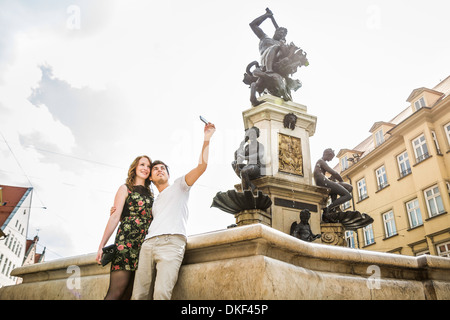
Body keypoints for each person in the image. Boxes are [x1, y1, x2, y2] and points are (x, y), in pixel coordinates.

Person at [129, 122, 216, 300]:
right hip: (147, 246)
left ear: (168, 174)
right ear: (151, 178)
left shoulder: (179, 185)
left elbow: (201, 167)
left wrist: (206, 139)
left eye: (163, 168)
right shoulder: (153, 201)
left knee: (161, 294)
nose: (160, 170)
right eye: (155, 169)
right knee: (138, 295)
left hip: (171, 243)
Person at [96, 155, 154, 300]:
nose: (145, 169)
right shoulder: (124, 188)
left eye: (148, 166)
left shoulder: (151, 194)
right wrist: (101, 245)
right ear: (135, 167)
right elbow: (115, 217)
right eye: (142, 165)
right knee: (116, 292)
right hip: (126, 243)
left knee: (129, 294)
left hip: (144, 246)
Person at [313, 148, 353, 213]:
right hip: (324, 183)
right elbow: (334, 173)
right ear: (328, 154)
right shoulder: (321, 161)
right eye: (331, 157)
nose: (331, 160)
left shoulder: (320, 162)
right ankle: (330, 208)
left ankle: (335, 208)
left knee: (341, 189)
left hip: (323, 182)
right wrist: (341, 181)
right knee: (348, 194)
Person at [250, 9, 288, 73]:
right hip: (265, 59)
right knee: (274, 47)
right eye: (280, 32)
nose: (281, 34)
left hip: (278, 62)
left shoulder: (281, 43)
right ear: (275, 31)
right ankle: (268, 69)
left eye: (283, 34)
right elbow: (253, 25)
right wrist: (266, 15)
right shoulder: (264, 38)